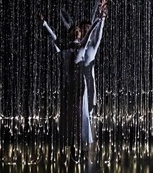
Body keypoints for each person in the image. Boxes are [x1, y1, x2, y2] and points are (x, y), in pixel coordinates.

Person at [40, 8, 105, 150]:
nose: (77, 32)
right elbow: (53, 37)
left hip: (80, 86)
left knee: (81, 113)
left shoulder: (82, 47)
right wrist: (44, 24)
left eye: (78, 31)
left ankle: (80, 141)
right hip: (68, 86)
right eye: (74, 31)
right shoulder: (65, 49)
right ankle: (70, 141)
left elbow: (91, 34)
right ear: (70, 34)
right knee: (69, 114)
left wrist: (99, 19)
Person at [60, 0, 109, 117]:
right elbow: (69, 26)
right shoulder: (76, 47)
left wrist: (101, 15)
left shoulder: (92, 46)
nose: (87, 30)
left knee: (88, 116)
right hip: (74, 85)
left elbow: (98, 31)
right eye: (84, 28)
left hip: (89, 86)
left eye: (88, 28)